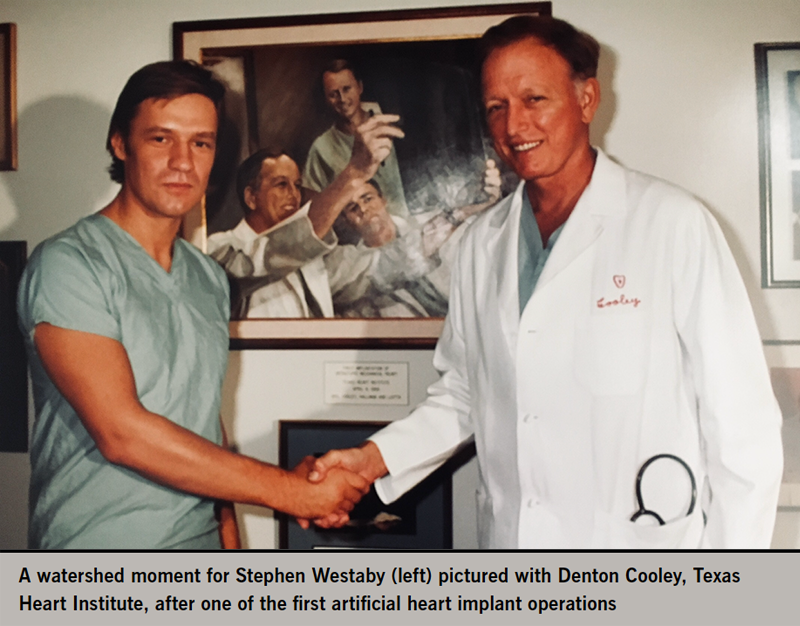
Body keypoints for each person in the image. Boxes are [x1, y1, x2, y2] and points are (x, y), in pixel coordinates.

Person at [307, 16, 784, 548]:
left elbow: (743, 431)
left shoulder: (672, 224)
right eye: (496, 107)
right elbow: (467, 392)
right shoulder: (481, 244)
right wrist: (372, 460)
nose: (515, 126)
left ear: (586, 99)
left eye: (535, 98)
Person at [16, 60, 370, 549]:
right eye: (161, 139)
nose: (183, 161)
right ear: (121, 144)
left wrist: (229, 539)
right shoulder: (69, 264)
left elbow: (201, 420)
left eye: (201, 143)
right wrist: (292, 492)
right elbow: (123, 433)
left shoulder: (206, 275)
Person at [207, 107, 405, 319]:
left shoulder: (316, 256)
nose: (293, 194)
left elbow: (373, 270)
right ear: (251, 197)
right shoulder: (217, 250)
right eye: (281, 185)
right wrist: (353, 174)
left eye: (298, 185)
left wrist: (427, 242)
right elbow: (274, 254)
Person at [326, 166, 501, 317]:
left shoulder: (430, 221)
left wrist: (488, 201)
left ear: (383, 200)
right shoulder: (357, 273)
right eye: (352, 208)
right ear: (346, 221)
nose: (363, 209)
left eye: (367, 198)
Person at [303, 59, 409, 218]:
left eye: (347, 89)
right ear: (326, 99)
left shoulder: (388, 119)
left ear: (360, 87)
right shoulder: (321, 148)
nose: (343, 99)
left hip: (412, 223)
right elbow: (312, 212)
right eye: (333, 94)